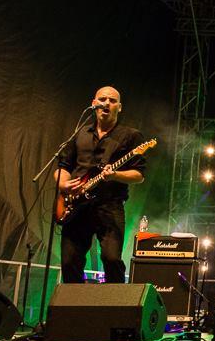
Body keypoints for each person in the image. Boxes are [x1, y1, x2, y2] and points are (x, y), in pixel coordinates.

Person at [55, 86, 147, 283]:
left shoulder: (131, 136)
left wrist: (115, 175)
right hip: (76, 205)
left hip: (109, 206)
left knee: (111, 259)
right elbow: (62, 166)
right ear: (94, 104)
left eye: (112, 101)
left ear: (119, 107)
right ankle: (75, 301)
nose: (107, 103)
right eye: (103, 99)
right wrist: (63, 184)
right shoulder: (80, 133)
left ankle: (115, 302)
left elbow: (139, 175)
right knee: (69, 261)